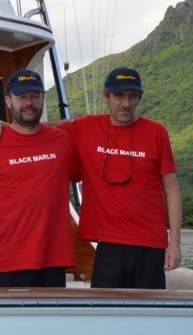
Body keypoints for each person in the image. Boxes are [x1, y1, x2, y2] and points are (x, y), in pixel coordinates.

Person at [58, 67, 182, 289]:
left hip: (150, 244)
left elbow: (171, 188)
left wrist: (175, 242)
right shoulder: (85, 128)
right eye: (119, 96)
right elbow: (37, 130)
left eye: (132, 96)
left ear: (138, 99)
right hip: (108, 244)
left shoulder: (157, 133)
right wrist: (0, 126)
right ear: (106, 96)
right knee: (106, 317)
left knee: (148, 317)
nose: (126, 103)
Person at [0, 69, 77, 288]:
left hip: (53, 260)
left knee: (51, 323)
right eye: (22, 97)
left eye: (34, 96)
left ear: (42, 98)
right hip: (8, 262)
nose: (29, 103)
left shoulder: (63, 140)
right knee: (6, 324)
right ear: (8, 100)